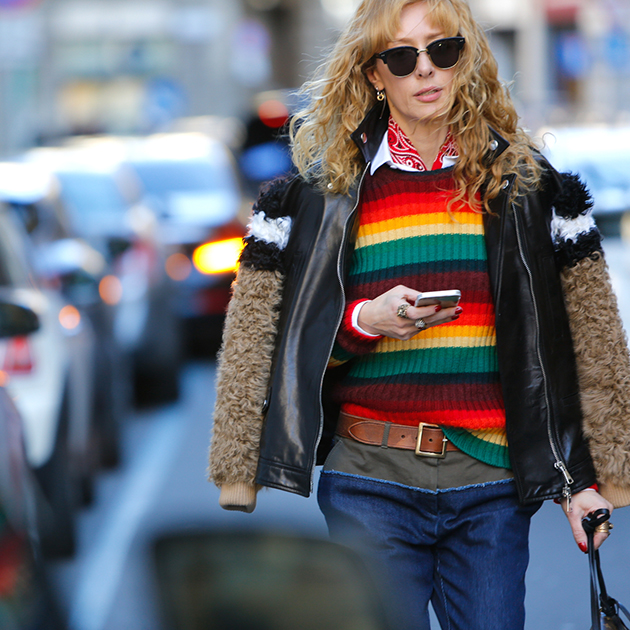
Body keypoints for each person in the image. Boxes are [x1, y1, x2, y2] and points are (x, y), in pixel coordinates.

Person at [208, 0, 630, 628]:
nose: (426, 69)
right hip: (369, 483)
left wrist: (593, 477)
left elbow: (589, 340)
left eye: (443, 50)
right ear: (375, 74)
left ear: (467, 59)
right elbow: (272, 344)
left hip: (491, 486)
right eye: (403, 57)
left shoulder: (532, 189)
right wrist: (364, 323)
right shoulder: (317, 198)